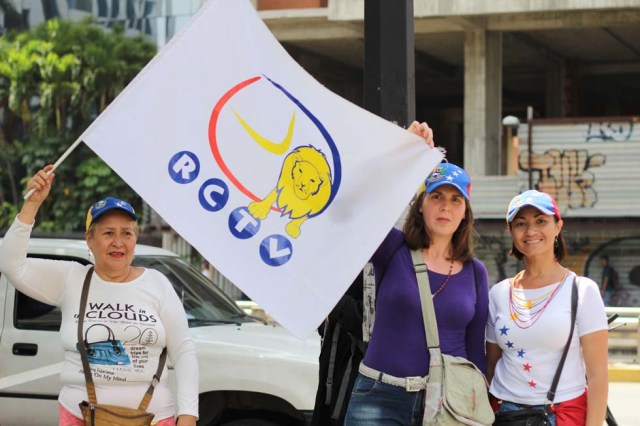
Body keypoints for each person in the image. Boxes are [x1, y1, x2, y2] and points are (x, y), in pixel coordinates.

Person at [0, 165, 199, 426]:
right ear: (89, 239)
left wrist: (187, 417)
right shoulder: (72, 278)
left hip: (153, 418)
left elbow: (183, 351)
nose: (118, 242)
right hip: (80, 416)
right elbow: (10, 264)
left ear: (135, 239)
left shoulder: (157, 283)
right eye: (108, 233)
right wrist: (32, 205)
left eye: (126, 233)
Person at [344, 121, 490, 425]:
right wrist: (399, 150)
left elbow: (476, 351)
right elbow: (358, 204)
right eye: (436, 196)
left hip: (447, 404)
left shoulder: (476, 272)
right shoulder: (394, 248)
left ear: (465, 212)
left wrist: (476, 407)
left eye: (455, 200)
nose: (445, 207)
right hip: (378, 396)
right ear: (421, 205)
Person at [486, 190, 608, 426]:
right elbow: (491, 366)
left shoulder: (582, 290)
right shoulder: (499, 293)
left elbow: (598, 376)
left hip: (561, 415)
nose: (530, 231)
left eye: (540, 221)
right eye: (521, 223)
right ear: (511, 232)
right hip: (503, 414)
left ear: (558, 226)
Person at [312, 272, 365, 426]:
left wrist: (330, 299)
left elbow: (369, 318)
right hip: (334, 365)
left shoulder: (384, 256)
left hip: (358, 372)